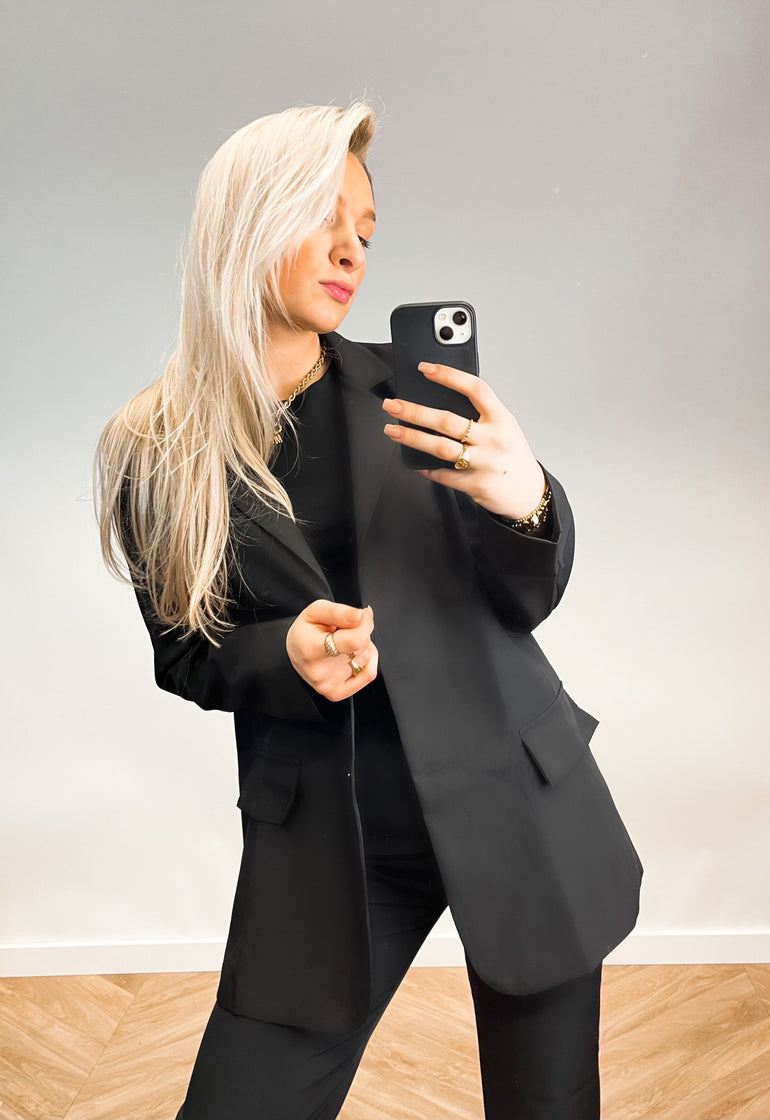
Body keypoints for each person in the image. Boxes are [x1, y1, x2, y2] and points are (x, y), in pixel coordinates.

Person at [95, 102, 642, 1120]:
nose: (353, 250)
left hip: (513, 801)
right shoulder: (153, 447)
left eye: (367, 230)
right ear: (247, 218)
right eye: (326, 217)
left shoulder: (414, 391)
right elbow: (187, 652)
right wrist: (284, 655)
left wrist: (524, 499)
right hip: (332, 844)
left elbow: (526, 597)